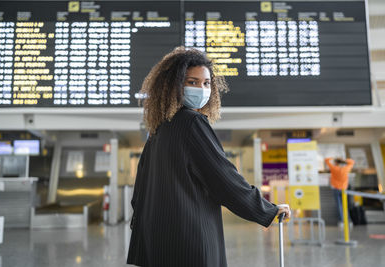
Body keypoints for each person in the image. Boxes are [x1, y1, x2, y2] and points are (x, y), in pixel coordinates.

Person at [127, 47, 291, 267]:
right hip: (189, 241)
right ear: (172, 85)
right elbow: (224, 179)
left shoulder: (158, 130)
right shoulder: (192, 123)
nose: (201, 89)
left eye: (206, 83)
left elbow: (139, 192)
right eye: (192, 82)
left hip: (156, 243)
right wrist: (267, 210)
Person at [325, 157, 355, 227]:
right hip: (344, 189)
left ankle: (342, 221)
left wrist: (334, 157)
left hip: (336, 189)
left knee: (339, 206)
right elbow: (352, 162)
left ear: (336, 163)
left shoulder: (334, 168)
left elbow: (326, 160)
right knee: (345, 206)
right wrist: (344, 159)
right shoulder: (346, 168)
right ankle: (349, 221)